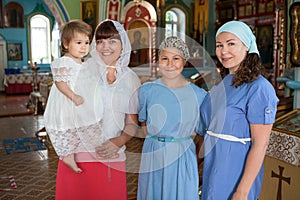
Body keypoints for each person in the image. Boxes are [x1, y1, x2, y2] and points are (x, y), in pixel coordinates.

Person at [54, 19, 141, 200]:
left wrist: (119, 140)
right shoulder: (82, 69)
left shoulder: (131, 79)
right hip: (78, 156)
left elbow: (131, 123)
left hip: (112, 156)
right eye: (100, 41)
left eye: (112, 41)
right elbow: (61, 109)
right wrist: (66, 151)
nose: (105, 47)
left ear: (123, 43)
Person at [199, 20, 279, 199]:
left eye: (231, 44)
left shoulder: (259, 88)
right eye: (219, 45)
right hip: (213, 166)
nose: (223, 51)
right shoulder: (224, 82)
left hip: (235, 169)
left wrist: (242, 191)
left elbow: (260, 144)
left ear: (247, 47)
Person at [137, 36, 207, 200]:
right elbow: (144, 123)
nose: (170, 64)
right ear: (158, 61)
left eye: (176, 58)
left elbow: (203, 133)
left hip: (182, 155)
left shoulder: (199, 96)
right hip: (153, 153)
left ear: (184, 62)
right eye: (165, 59)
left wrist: (192, 158)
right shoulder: (147, 90)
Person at [44, 19, 100, 174]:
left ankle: (82, 151)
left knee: (82, 127)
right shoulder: (64, 62)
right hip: (67, 102)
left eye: (87, 43)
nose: (84, 47)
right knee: (68, 126)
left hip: (80, 103)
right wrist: (73, 96)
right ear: (66, 43)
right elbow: (60, 83)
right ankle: (67, 156)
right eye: (79, 42)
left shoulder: (84, 63)